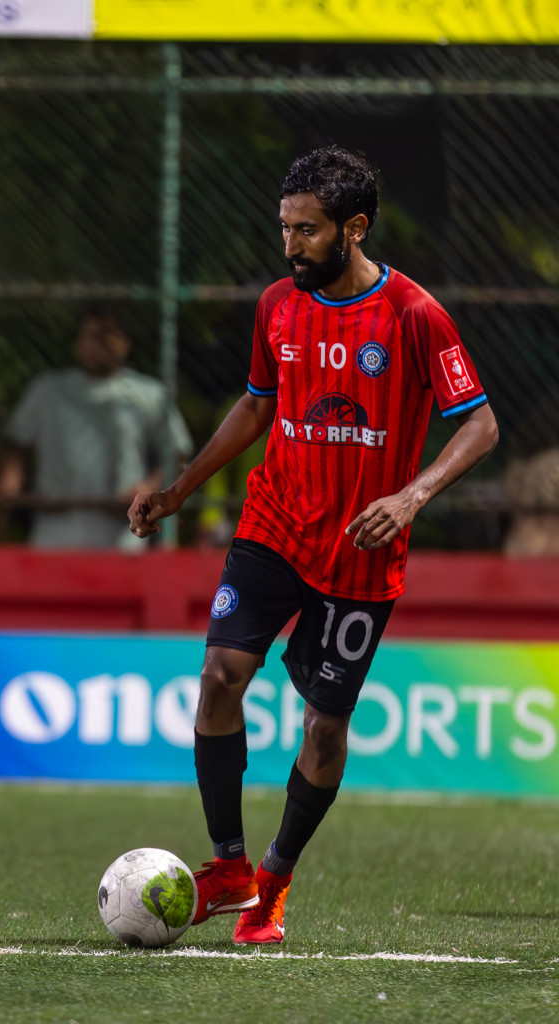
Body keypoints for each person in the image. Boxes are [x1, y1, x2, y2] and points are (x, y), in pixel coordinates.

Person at [127, 146, 499, 945]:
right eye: (285, 227)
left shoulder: (414, 315)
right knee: (221, 675)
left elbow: (481, 422)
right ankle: (225, 864)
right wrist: (179, 491)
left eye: (307, 229)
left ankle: (273, 880)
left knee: (324, 730)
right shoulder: (277, 307)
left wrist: (412, 495)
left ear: (354, 228)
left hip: (361, 553)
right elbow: (256, 408)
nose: (290, 244)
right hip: (273, 525)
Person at [0, 309, 192, 550]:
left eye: (106, 336)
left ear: (125, 343)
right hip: (54, 529)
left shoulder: (148, 394)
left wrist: (147, 489)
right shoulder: (47, 390)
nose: (96, 344)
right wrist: (10, 479)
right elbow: (15, 444)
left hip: (121, 534)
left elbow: (177, 454)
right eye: (89, 335)